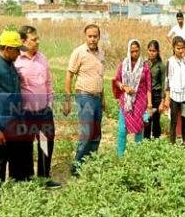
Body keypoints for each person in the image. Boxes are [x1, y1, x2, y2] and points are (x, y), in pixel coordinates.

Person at [0, 30, 33, 208]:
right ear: (8, 48)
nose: (20, 53)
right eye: (17, 50)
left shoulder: (11, 64)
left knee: (18, 166)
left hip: (16, 125)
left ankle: (14, 201)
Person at [14, 25, 61, 188]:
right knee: (25, 147)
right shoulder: (16, 60)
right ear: (23, 41)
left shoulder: (42, 58)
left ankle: (43, 178)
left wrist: (49, 103)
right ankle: (26, 180)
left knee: (46, 144)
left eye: (37, 38)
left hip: (44, 112)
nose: (37, 42)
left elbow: (48, 82)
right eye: (34, 39)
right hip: (25, 113)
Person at [63, 24, 105, 176]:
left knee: (96, 134)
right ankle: (77, 167)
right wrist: (67, 100)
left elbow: (99, 78)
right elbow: (69, 75)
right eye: (90, 36)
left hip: (97, 98)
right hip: (84, 97)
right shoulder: (79, 52)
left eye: (95, 36)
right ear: (85, 36)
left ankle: (90, 163)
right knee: (86, 134)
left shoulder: (101, 53)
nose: (93, 39)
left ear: (99, 37)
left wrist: (103, 99)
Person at [113, 40, 151, 157]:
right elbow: (117, 80)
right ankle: (120, 156)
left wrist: (149, 104)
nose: (134, 53)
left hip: (140, 102)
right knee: (122, 130)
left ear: (140, 51)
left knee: (139, 130)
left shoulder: (144, 67)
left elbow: (149, 87)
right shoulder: (123, 65)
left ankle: (137, 156)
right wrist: (124, 87)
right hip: (126, 101)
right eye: (132, 51)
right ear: (128, 51)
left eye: (136, 51)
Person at [162, 37, 185, 145]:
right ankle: (172, 142)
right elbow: (167, 79)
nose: (180, 50)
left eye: (182, 48)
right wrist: (167, 96)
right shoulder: (170, 62)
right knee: (174, 120)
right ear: (174, 48)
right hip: (174, 95)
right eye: (178, 48)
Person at [143, 40, 165, 140]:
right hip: (146, 95)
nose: (151, 52)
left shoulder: (161, 66)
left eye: (154, 51)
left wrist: (162, 101)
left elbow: (164, 84)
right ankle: (146, 141)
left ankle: (156, 142)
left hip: (156, 96)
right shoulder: (144, 64)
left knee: (156, 120)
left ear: (157, 52)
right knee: (146, 119)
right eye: (150, 50)